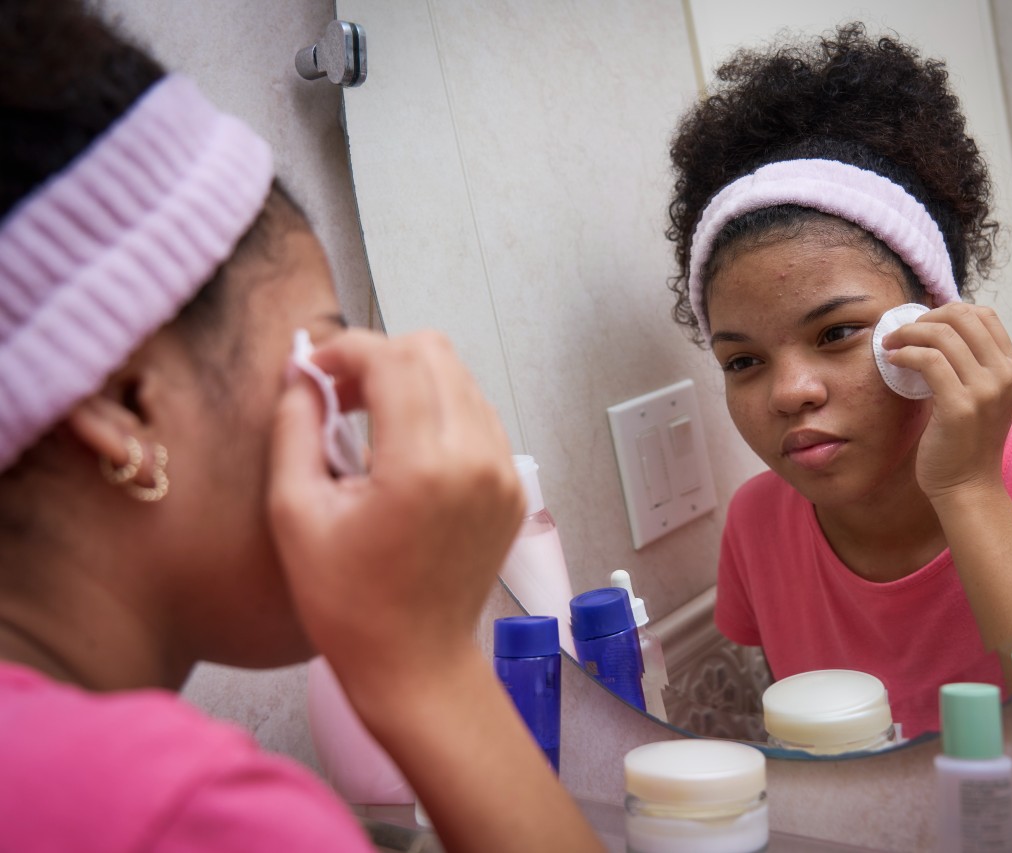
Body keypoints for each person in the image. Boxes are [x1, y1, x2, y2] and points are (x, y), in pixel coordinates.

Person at [0, 2, 602, 850]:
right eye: (323, 372)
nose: (355, 451)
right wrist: (428, 668)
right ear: (123, 400)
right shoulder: (193, 816)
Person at [664, 24, 1012, 738]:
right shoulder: (759, 526)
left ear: (934, 323)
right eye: (743, 361)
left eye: (836, 333)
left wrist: (969, 486)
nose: (789, 391)